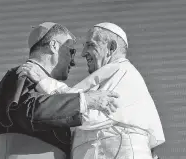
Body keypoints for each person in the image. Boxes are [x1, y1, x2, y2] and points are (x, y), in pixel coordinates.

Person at [20, 22, 165, 159]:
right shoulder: (110, 74)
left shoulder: (122, 71)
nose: (83, 53)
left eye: (90, 45)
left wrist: (44, 82)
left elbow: (87, 115)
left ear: (111, 47)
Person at [0, 22, 120, 159]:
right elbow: (30, 110)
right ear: (53, 46)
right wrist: (85, 100)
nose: (73, 61)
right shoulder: (24, 73)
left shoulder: (50, 88)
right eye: (71, 51)